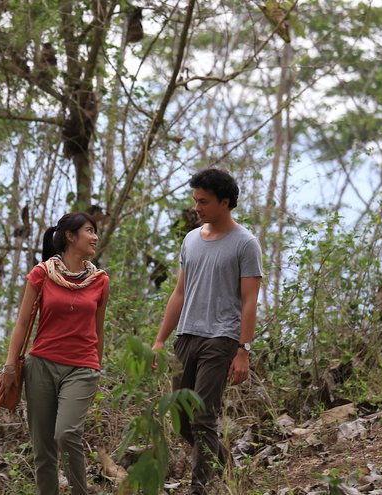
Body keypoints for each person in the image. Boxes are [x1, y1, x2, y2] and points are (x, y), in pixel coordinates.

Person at [152, 168, 262, 495]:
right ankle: (229, 470)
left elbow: (249, 301)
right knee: (181, 418)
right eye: (195, 200)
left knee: (204, 417)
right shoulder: (191, 240)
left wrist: (243, 349)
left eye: (204, 201)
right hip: (187, 336)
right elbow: (179, 293)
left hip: (222, 339)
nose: (197, 207)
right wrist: (159, 339)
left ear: (225, 202)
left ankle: (198, 489)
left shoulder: (245, 244)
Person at [0, 212, 110, 495]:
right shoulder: (41, 274)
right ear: (71, 237)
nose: (95, 236)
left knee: (67, 433)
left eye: (95, 231)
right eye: (89, 230)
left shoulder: (100, 281)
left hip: (82, 368)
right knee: (44, 449)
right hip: (41, 367)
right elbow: (23, 323)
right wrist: (10, 365)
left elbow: (98, 330)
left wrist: (96, 370)